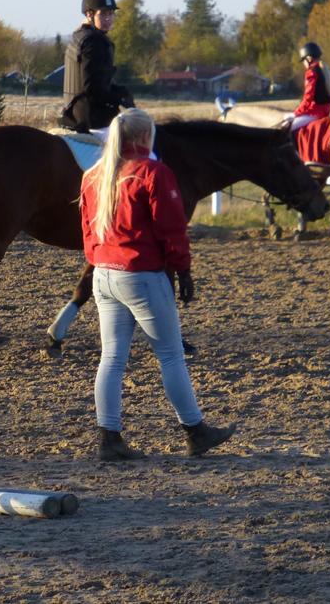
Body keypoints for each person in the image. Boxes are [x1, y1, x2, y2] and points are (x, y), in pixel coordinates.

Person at [80, 107, 237, 461]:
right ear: (143, 138)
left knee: (112, 357)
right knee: (170, 355)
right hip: (142, 275)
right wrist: (183, 270)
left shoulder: (93, 175)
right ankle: (195, 431)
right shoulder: (154, 173)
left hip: (104, 273)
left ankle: (109, 437)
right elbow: (172, 230)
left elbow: (88, 232)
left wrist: (99, 261)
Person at [58, 0, 135, 136]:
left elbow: (97, 81)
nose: (109, 19)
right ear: (89, 14)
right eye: (104, 14)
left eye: (111, 13)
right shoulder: (94, 42)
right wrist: (119, 98)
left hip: (73, 112)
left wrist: (119, 90)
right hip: (91, 118)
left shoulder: (79, 36)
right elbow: (92, 88)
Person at [285, 42, 330, 133]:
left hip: (317, 112)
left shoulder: (311, 72)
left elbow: (308, 98)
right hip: (328, 109)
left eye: (303, 60)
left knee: (288, 127)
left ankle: (296, 148)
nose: (304, 64)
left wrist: (295, 113)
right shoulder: (326, 68)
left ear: (309, 58)